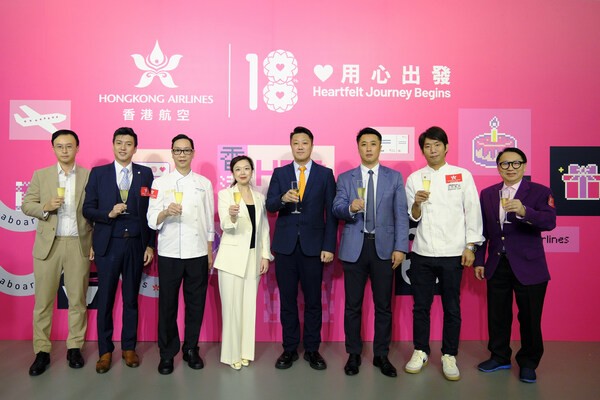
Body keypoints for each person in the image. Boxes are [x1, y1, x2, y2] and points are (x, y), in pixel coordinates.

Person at [404, 126, 484, 381]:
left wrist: (471, 246)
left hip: (453, 252)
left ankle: (449, 355)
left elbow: (472, 210)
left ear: (446, 147)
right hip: (422, 251)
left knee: (452, 307)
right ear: (422, 150)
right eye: (427, 146)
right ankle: (420, 351)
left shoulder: (461, 175)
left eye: (437, 145)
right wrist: (417, 203)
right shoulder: (414, 178)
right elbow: (413, 217)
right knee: (421, 307)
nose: (432, 150)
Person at [474, 148, 556, 384]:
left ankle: (529, 362)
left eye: (515, 163)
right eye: (504, 164)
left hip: (529, 266)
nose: (510, 168)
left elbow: (550, 222)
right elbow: (483, 231)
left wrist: (524, 211)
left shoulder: (540, 191)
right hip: (497, 263)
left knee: (530, 317)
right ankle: (499, 356)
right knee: (497, 315)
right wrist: (479, 260)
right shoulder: (488, 194)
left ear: (524, 165)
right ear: (498, 167)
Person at [332, 127, 409, 378]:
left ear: (380, 147)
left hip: (384, 249)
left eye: (373, 144)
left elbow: (401, 215)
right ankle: (353, 354)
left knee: (383, 306)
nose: (368, 148)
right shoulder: (346, 178)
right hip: (355, 247)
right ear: (358, 147)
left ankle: (381, 355)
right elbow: (336, 207)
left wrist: (400, 247)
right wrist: (350, 208)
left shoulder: (394, 177)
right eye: (364, 144)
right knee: (352, 306)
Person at [83, 127, 155, 374]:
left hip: (135, 244)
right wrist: (108, 213)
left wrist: (149, 244)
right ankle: (105, 351)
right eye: (119, 143)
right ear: (113, 145)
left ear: (135, 148)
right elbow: (87, 209)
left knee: (131, 299)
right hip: (108, 245)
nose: (123, 147)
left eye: (128, 143)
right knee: (105, 299)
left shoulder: (145, 174)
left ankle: (128, 348)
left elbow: (151, 211)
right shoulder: (98, 174)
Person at [22, 129, 93, 376]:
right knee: (43, 302)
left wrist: (93, 242)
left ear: (77, 148)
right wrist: (45, 207)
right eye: (60, 146)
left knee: (78, 300)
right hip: (48, 246)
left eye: (69, 146)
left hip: (78, 243)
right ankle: (42, 351)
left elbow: (93, 210)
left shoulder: (87, 176)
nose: (64, 150)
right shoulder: (41, 175)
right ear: (53, 148)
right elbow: (26, 205)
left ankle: (74, 347)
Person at [266, 126, 338, 370]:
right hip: (285, 247)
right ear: (291, 146)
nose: (300, 146)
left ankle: (312, 349)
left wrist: (329, 246)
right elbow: (270, 205)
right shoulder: (280, 173)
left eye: (304, 142)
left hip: (313, 248)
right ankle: (289, 349)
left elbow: (331, 213)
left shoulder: (325, 174)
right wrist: (282, 199)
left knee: (313, 301)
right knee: (287, 300)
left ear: (311, 146)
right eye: (296, 142)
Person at [147, 134, 214, 375]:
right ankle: (167, 353)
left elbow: (208, 221)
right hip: (169, 252)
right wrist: (166, 212)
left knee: (196, 304)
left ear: (193, 153)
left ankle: (191, 348)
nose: (182, 154)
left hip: (197, 252)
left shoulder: (204, 183)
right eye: (178, 150)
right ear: (172, 153)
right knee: (167, 305)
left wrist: (209, 252)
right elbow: (151, 219)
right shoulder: (160, 183)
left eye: (186, 150)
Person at [213, 155, 273, 370]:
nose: (242, 172)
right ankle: (231, 355)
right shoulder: (225, 195)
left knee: (248, 307)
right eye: (238, 169)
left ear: (252, 171)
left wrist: (265, 255)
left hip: (253, 258)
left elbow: (264, 228)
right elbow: (225, 226)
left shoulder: (259, 197)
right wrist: (231, 216)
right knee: (232, 308)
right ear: (232, 173)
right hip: (231, 259)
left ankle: (245, 352)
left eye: (246, 168)